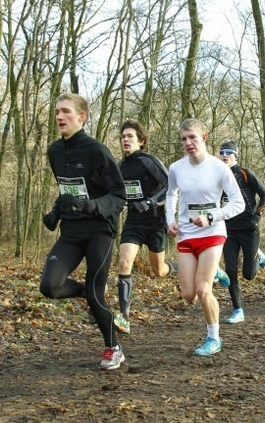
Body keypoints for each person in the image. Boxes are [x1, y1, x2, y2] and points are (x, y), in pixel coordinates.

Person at [39, 93, 127, 370]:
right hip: (71, 231)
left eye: (65, 111)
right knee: (49, 286)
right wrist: (56, 212)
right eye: (56, 113)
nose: (59, 117)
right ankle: (88, 295)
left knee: (96, 291)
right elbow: (68, 189)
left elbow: (119, 196)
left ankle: (113, 348)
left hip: (100, 230)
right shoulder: (54, 151)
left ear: (82, 116)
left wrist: (90, 206)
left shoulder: (97, 151)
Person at [166, 119, 244, 356]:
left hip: (212, 233)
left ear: (204, 137)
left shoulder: (219, 168)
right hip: (187, 235)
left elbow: (238, 204)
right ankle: (216, 272)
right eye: (184, 139)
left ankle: (213, 338)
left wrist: (211, 216)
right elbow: (171, 194)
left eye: (193, 137)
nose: (188, 143)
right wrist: (170, 219)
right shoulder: (176, 168)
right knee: (189, 295)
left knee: (202, 290)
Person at [116, 120, 177, 334]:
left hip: (155, 223)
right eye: (123, 136)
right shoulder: (120, 167)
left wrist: (150, 202)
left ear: (141, 141)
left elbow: (170, 185)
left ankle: (177, 267)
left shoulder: (148, 161)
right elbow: (117, 193)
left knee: (158, 271)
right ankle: (124, 317)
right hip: (133, 223)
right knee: (124, 263)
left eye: (130, 136)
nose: (125, 139)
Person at [218, 141, 265, 324]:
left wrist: (256, 217)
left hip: (248, 228)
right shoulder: (216, 176)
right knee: (230, 269)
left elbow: (264, 194)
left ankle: (258, 255)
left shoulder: (244, 173)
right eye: (221, 152)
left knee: (249, 274)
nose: (224, 155)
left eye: (228, 152)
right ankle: (237, 309)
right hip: (228, 230)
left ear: (235, 155)